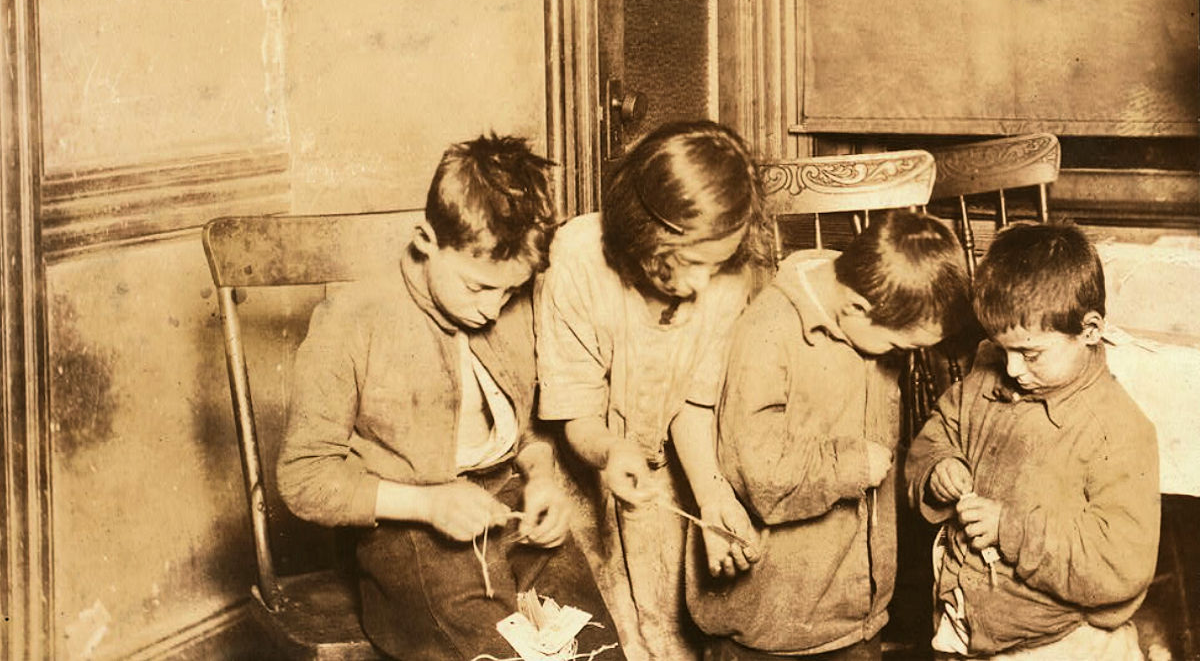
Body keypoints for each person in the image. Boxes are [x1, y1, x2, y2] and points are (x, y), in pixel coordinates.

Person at [276, 133, 625, 661]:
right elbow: (303, 478)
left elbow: (527, 429)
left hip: (504, 504)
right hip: (407, 528)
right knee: (507, 656)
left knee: (592, 648)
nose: (492, 308)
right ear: (425, 239)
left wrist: (542, 480)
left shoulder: (507, 304)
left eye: (510, 290)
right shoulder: (353, 320)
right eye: (477, 287)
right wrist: (428, 503)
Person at [687, 211, 972, 661]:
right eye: (900, 348)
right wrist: (851, 466)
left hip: (856, 613)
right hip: (773, 630)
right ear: (856, 308)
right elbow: (755, 472)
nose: (902, 358)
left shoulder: (870, 309)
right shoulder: (768, 331)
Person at [536, 120, 771, 661]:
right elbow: (576, 413)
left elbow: (692, 405)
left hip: (662, 469)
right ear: (643, 234)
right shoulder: (578, 258)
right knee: (593, 638)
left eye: (716, 266)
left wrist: (712, 498)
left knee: (670, 637)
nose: (700, 287)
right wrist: (612, 450)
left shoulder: (725, 280)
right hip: (575, 466)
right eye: (688, 264)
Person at [905, 222, 1160, 660]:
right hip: (971, 620)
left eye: (1030, 353)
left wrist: (1010, 529)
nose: (1013, 369)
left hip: (1062, 642)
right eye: (1002, 349)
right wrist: (939, 465)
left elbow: (1121, 563)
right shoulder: (987, 377)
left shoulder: (1117, 430)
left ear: (1090, 330)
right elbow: (938, 432)